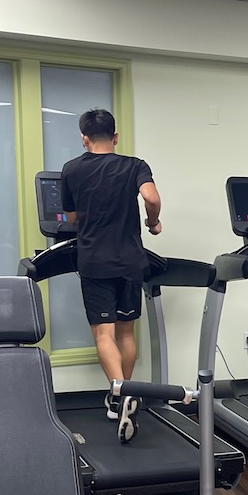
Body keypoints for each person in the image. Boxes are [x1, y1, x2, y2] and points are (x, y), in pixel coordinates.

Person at [59, 109, 161, 442]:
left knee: (103, 335)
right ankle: (125, 395)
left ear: (84, 138)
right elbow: (151, 197)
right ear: (115, 137)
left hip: (94, 262)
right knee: (126, 333)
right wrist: (153, 222)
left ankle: (120, 396)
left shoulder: (71, 169)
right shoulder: (134, 165)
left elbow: (71, 217)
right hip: (131, 261)